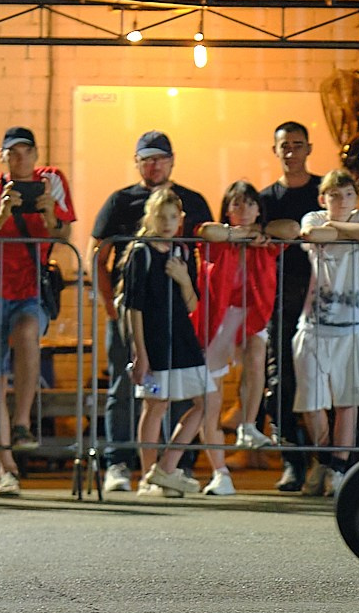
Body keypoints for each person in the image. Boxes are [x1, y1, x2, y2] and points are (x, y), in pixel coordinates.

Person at [92, 131, 213, 494]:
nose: (154, 165)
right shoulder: (122, 204)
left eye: (160, 158)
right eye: (147, 159)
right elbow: (97, 254)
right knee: (132, 392)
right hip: (138, 320)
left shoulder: (191, 203)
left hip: (179, 323)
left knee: (193, 399)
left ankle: (172, 467)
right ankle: (124, 464)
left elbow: (206, 253)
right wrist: (110, 307)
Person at [0, 127, 74, 498]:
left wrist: (48, 212)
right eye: (12, 153)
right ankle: (6, 468)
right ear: (3, 156)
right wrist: (0, 213)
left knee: (28, 332)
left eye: (25, 152)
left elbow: (64, 235)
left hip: (29, 287)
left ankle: (23, 421)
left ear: (35, 154)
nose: (19, 159)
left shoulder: (53, 180)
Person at [119, 189, 215, 498]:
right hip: (155, 338)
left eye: (173, 217)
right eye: (161, 216)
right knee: (156, 405)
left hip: (183, 336)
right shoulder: (141, 252)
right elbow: (134, 307)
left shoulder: (182, 252)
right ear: (150, 217)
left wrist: (184, 278)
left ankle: (167, 466)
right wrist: (141, 352)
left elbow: (191, 303)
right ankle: (148, 476)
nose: (167, 223)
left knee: (205, 401)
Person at [295, 170, 359, 495]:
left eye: (347, 195)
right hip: (315, 322)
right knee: (311, 400)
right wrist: (346, 231)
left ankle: (337, 467)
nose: (341, 201)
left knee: (349, 399)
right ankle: (324, 457)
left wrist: (338, 228)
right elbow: (310, 234)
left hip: (354, 323)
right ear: (323, 198)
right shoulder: (314, 216)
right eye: (334, 195)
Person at [195, 179, 283, 490]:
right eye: (235, 203)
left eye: (248, 203)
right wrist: (240, 234)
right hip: (217, 319)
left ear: (259, 209)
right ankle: (220, 471)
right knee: (211, 397)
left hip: (251, 315)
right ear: (227, 209)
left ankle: (247, 424)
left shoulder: (266, 239)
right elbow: (205, 230)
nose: (242, 208)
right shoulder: (221, 237)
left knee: (257, 355)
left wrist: (259, 233)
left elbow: (292, 230)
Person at [257, 121, 324, 491]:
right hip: (279, 295)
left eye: (297, 145)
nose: (290, 151)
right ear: (275, 150)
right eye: (284, 145)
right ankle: (292, 462)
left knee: (322, 380)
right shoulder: (266, 198)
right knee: (280, 379)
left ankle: (326, 461)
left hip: (321, 296)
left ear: (308, 149)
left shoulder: (322, 191)